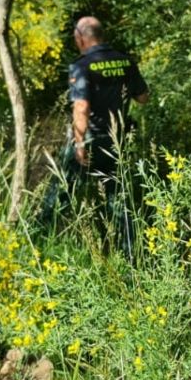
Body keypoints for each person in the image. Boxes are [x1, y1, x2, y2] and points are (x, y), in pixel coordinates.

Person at [39, 16, 149, 253]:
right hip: (117, 141)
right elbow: (143, 98)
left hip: (90, 141)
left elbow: (81, 107)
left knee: (61, 190)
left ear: (81, 38)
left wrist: (80, 144)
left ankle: (40, 238)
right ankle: (130, 252)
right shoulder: (124, 61)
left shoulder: (82, 65)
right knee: (118, 197)